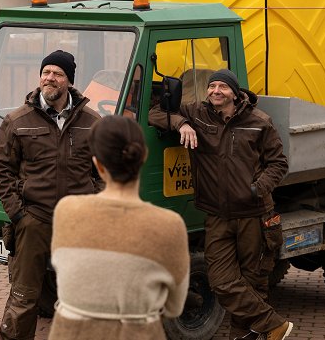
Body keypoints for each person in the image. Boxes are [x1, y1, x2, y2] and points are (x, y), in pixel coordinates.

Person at [149, 68, 292, 340]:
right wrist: (182, 124)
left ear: (235, 93)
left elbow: (278, 163)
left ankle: (244, 336)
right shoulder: (198, 114)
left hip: (254, 214)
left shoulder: (259, 121)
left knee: (253, 282)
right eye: (212, 86)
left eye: (222, 87)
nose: (215, 91)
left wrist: (256, 189)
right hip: (217, 214)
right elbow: (156, 113)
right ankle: (273, 323)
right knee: (222, 281)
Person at [0, 50, 103, 340]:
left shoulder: (92, 121)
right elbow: (1, 170)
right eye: (46, 72)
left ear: (69, 81)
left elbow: (105, 170)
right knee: (24, 296)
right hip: (34, 220)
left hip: (78, 223)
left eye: (57, 74)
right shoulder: (17, 120)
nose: (49, 78)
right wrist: (18, 213)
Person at [48, 115, 190, 340]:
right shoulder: (170, 225)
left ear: (98, 164)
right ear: (143, 156)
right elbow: (174, 307)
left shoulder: (66, 210)